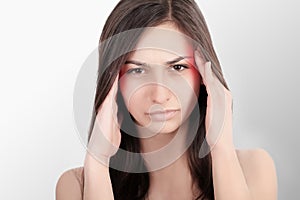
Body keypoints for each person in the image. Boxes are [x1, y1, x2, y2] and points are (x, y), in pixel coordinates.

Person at [56, 0, 278, 199]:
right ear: (114, 80)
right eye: (137, 71)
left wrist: (221, 147)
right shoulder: (76, 187)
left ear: (203, 75)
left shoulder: (254, 170)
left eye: (177, 67)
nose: (160, 95)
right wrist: (97, 162)